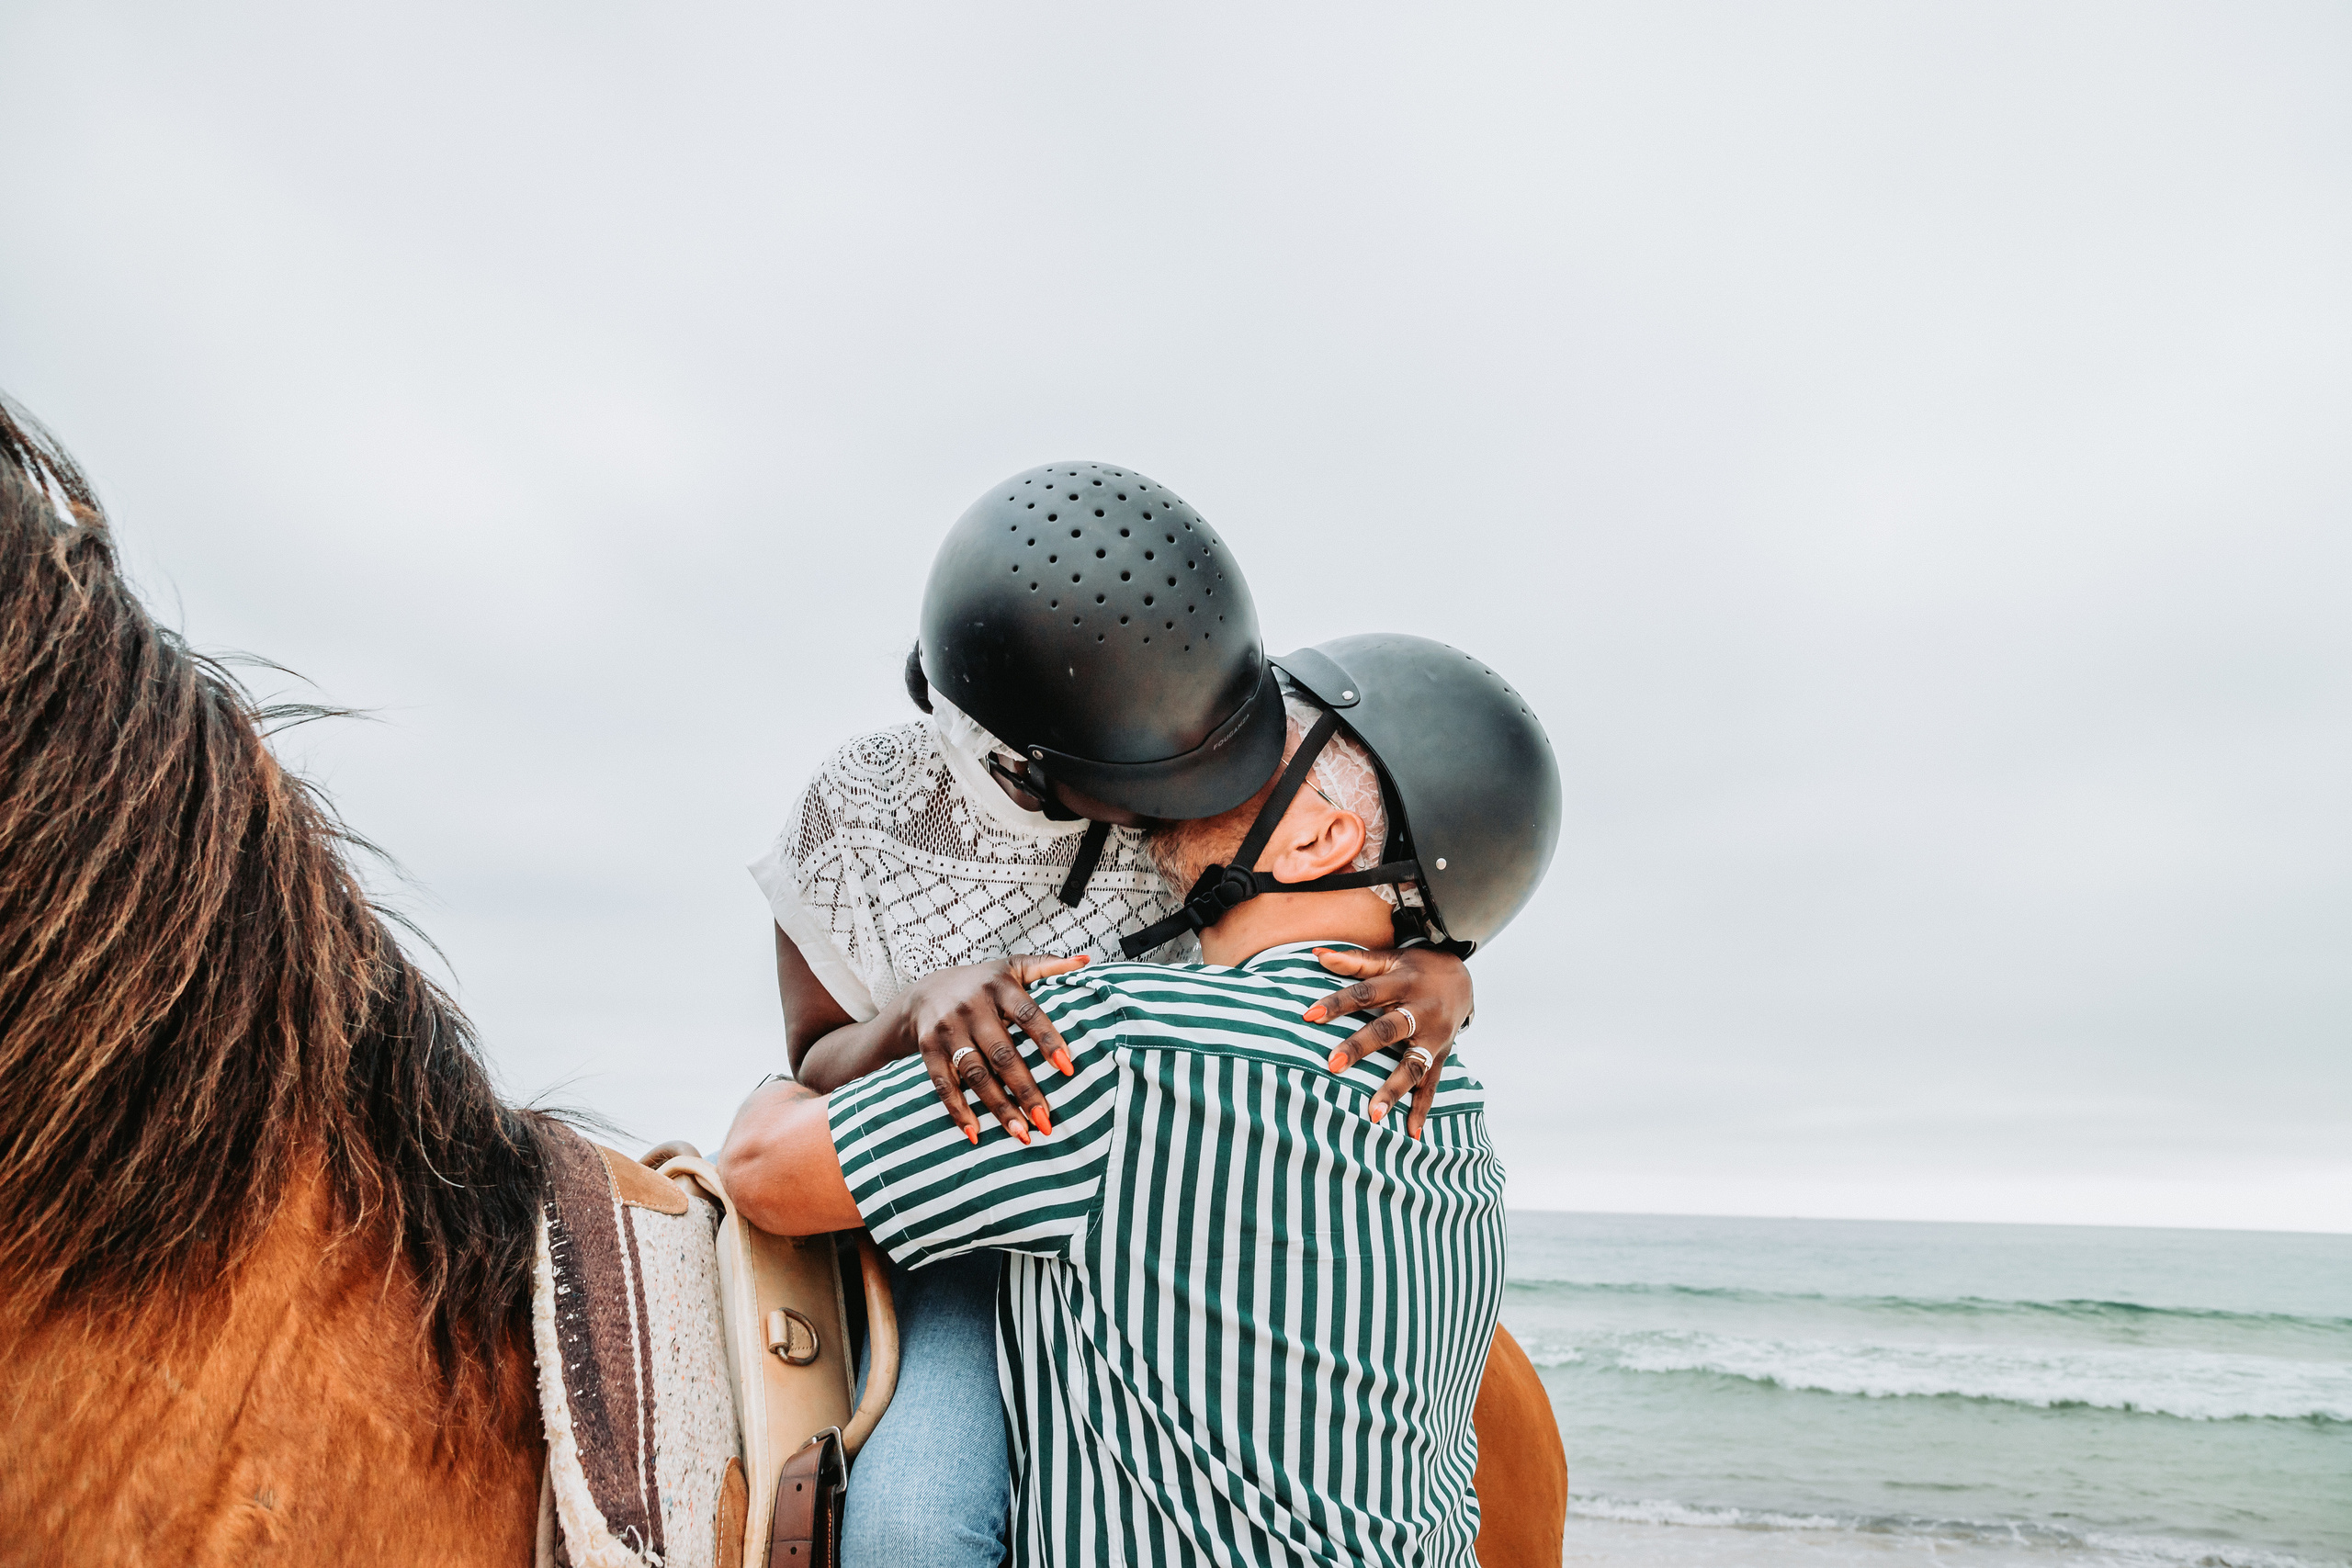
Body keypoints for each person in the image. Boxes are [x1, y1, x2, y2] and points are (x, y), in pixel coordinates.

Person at [748, 466, 1478, 1566]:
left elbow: (1337, 898)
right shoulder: (856, 805)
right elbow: (807, 1062)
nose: (1203, 780)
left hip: (1154, 1195)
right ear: (1033, 764)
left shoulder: (1182, 757)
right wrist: (913, 1016)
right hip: (952, 1194)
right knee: (912, 1524)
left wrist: (1443, 968)